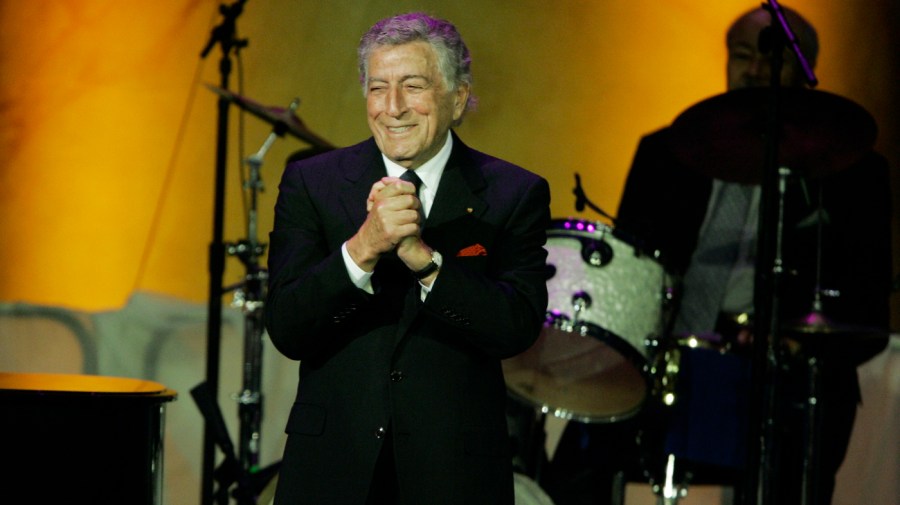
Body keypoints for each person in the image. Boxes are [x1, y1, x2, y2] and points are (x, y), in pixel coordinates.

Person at [545, 5, 892, 505]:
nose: (753, 70)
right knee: (580, 463)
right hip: (666, 359)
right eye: (742, 55)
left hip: (784, 373)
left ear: (806, 72)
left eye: (771, 59)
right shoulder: (667, 151)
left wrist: (789, 337)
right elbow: (630, 272)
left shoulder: (852, 172)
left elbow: (867, 303)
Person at [264, 12, 551, 505]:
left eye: (412, 85)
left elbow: (516, 328)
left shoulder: (513, 193)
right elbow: (288, 328)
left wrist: (425, 262)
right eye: (378, 88)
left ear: (457, 98)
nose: (393, 107)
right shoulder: (312, 183)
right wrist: (362, 250)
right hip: (334, 468)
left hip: (456, 473)